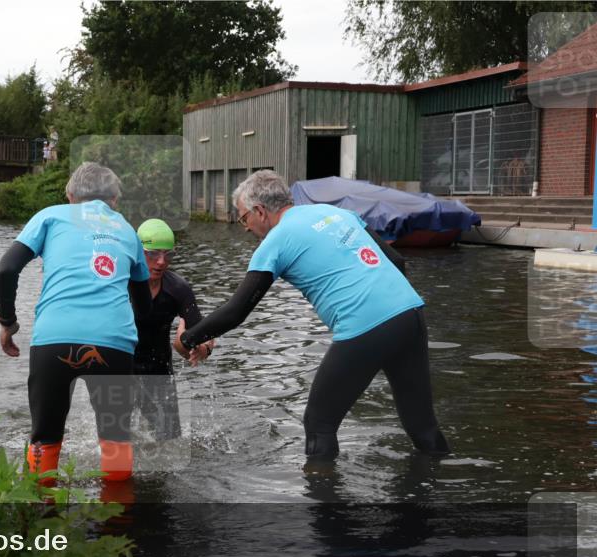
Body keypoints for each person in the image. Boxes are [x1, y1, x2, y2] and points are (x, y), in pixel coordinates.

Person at [179, 170, 450, 460]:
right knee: (422, 424)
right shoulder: (335, 213)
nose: (245, 227)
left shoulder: (276, 240)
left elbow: (236, 311)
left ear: (260, 211)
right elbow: (396, 261)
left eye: (244, 218)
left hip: (364, 325)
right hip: (409, 312)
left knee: (319, 424)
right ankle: (439, 491)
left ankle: (323, 504)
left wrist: (189, 339)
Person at [0, 162, 152, 486]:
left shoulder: (49, 216)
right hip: (114, 343)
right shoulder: (127, 229)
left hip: (53, 340)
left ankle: (41, 521)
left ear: (69, 195)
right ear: (114, 200)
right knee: (116, 442)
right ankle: (117, 525)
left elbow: (6, 270)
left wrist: (8, 321)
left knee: (45, 438)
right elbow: (143, 302)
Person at [132, 218, 214, 440]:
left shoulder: (178, 289)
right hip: (121, 368)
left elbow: (203, 333)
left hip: (159, 370)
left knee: (169, 440)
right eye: (153, 254)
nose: (161, 262)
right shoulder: (119, 283)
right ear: (137, 251)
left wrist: (200, 348)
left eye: (168, 255)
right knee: (115, 443)